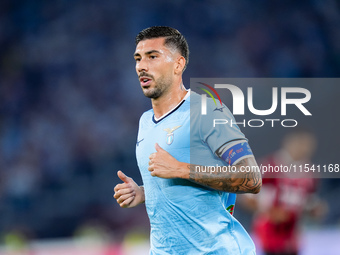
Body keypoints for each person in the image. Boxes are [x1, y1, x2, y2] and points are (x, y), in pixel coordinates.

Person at [113, 26, 262, 254]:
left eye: (153, 57)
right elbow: (178, 188)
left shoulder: (207, 111)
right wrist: (145, 193)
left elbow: (251, 178)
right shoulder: (145, 121)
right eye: (138, 58)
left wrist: (181, 169)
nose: (142, 66)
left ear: (178, 64)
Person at [242, 129, 326, 255]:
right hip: (268, 234)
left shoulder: (310, 173)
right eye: (301, 144)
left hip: (292, 235)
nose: (304, 149)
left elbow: (307, 202)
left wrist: (315, 210)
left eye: (307, 145)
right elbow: (247, 197)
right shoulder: (269, 165)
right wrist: (270, 212)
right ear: (289, 142)